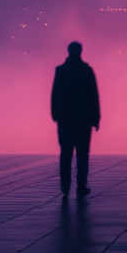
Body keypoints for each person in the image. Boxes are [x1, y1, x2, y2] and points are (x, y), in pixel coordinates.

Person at [50, 42, 100, 197]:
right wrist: (96, 117)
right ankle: (81, 185)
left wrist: (55, 114)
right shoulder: (86, 70)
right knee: (82, 154)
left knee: (65, 154)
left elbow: (55, 94)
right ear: (80, 51)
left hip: (65, 119)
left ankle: (65, 186)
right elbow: (93, 95)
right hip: (83, 119)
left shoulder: (61, 70)